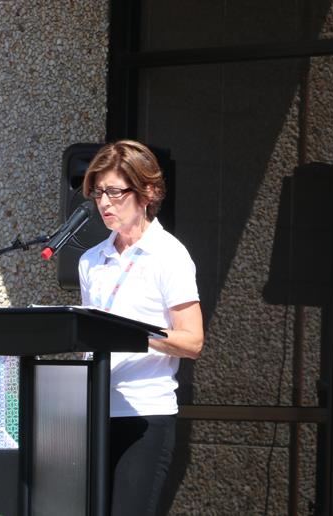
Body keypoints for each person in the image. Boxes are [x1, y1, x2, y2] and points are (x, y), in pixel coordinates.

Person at [78, 140, 204, 516]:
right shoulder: (90, 260)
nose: (104, 203)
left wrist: (133, 334)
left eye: (115, 192)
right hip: (93, 409)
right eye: (98, 192)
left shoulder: (169, 255)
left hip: (144, 416)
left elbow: (192, 340)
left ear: (148, 192)